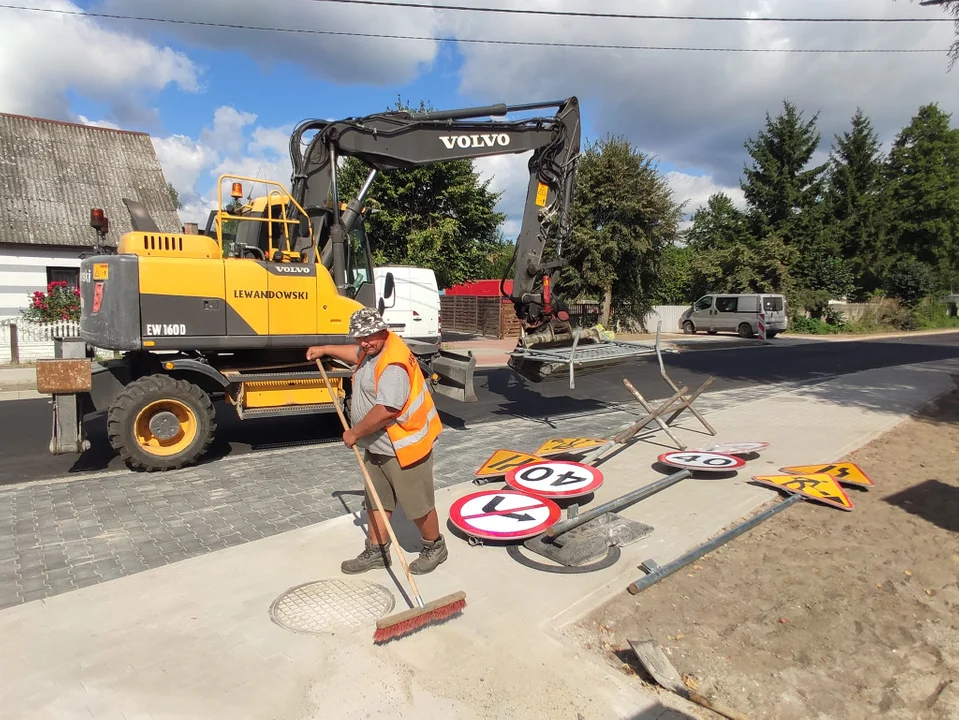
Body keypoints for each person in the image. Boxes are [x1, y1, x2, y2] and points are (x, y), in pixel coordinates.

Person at [306, 307, 448, 575]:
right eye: (358, 338)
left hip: (404, 447)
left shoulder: (392, 364)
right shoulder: (374, 349)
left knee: (417, 505)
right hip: (378, 445)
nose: (363, 343)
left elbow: (388, 409)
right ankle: (377, 550)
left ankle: (435, 546)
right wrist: (325, 348)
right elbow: (356, 353)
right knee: (376, 500)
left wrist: (355, 433)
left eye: (368, 337)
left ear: (383, 331)